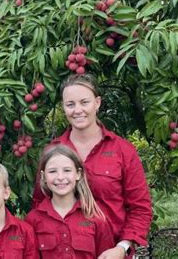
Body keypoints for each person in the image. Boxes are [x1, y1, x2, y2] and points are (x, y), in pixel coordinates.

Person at [32, 74, 152, 258]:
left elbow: (140, 208)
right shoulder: (53, 152)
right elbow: (40, 203)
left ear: (97, 102)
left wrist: (122, 248)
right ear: (63, 107)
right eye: (70, 104)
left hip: (113, 252)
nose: (77, 110)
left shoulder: (122, 150)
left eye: (84, 102)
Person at [26, 145, 114, 258]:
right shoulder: (33, 219)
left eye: (67, 170)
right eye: (52, 171)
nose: (60, 177)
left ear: (78, 174)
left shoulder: (95, 217)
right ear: (43, 177)